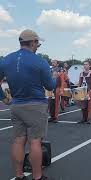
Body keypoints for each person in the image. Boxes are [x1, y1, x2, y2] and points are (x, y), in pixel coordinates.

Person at [0, 29, 55, 180]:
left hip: (16, 105)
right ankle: (37, 177)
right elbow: (50, 86)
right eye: (37, 43)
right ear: (32, 42)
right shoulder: (39, 61)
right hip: (35, 105)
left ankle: (19, 176)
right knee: (35, 141)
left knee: (18, 140)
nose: (38, 46)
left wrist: (3, 98)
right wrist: (55, 78)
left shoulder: (6, 60)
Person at [78, 59, 91, 124]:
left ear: (89, 66)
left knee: (88, 105)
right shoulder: (81, 73)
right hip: (82, 91)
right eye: (84, 64)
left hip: (89, 90)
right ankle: (83, 118)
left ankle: (88, 118)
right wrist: (78, 90)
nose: (85, 66)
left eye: (86, 64)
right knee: (82, 105)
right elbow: (79, 82)